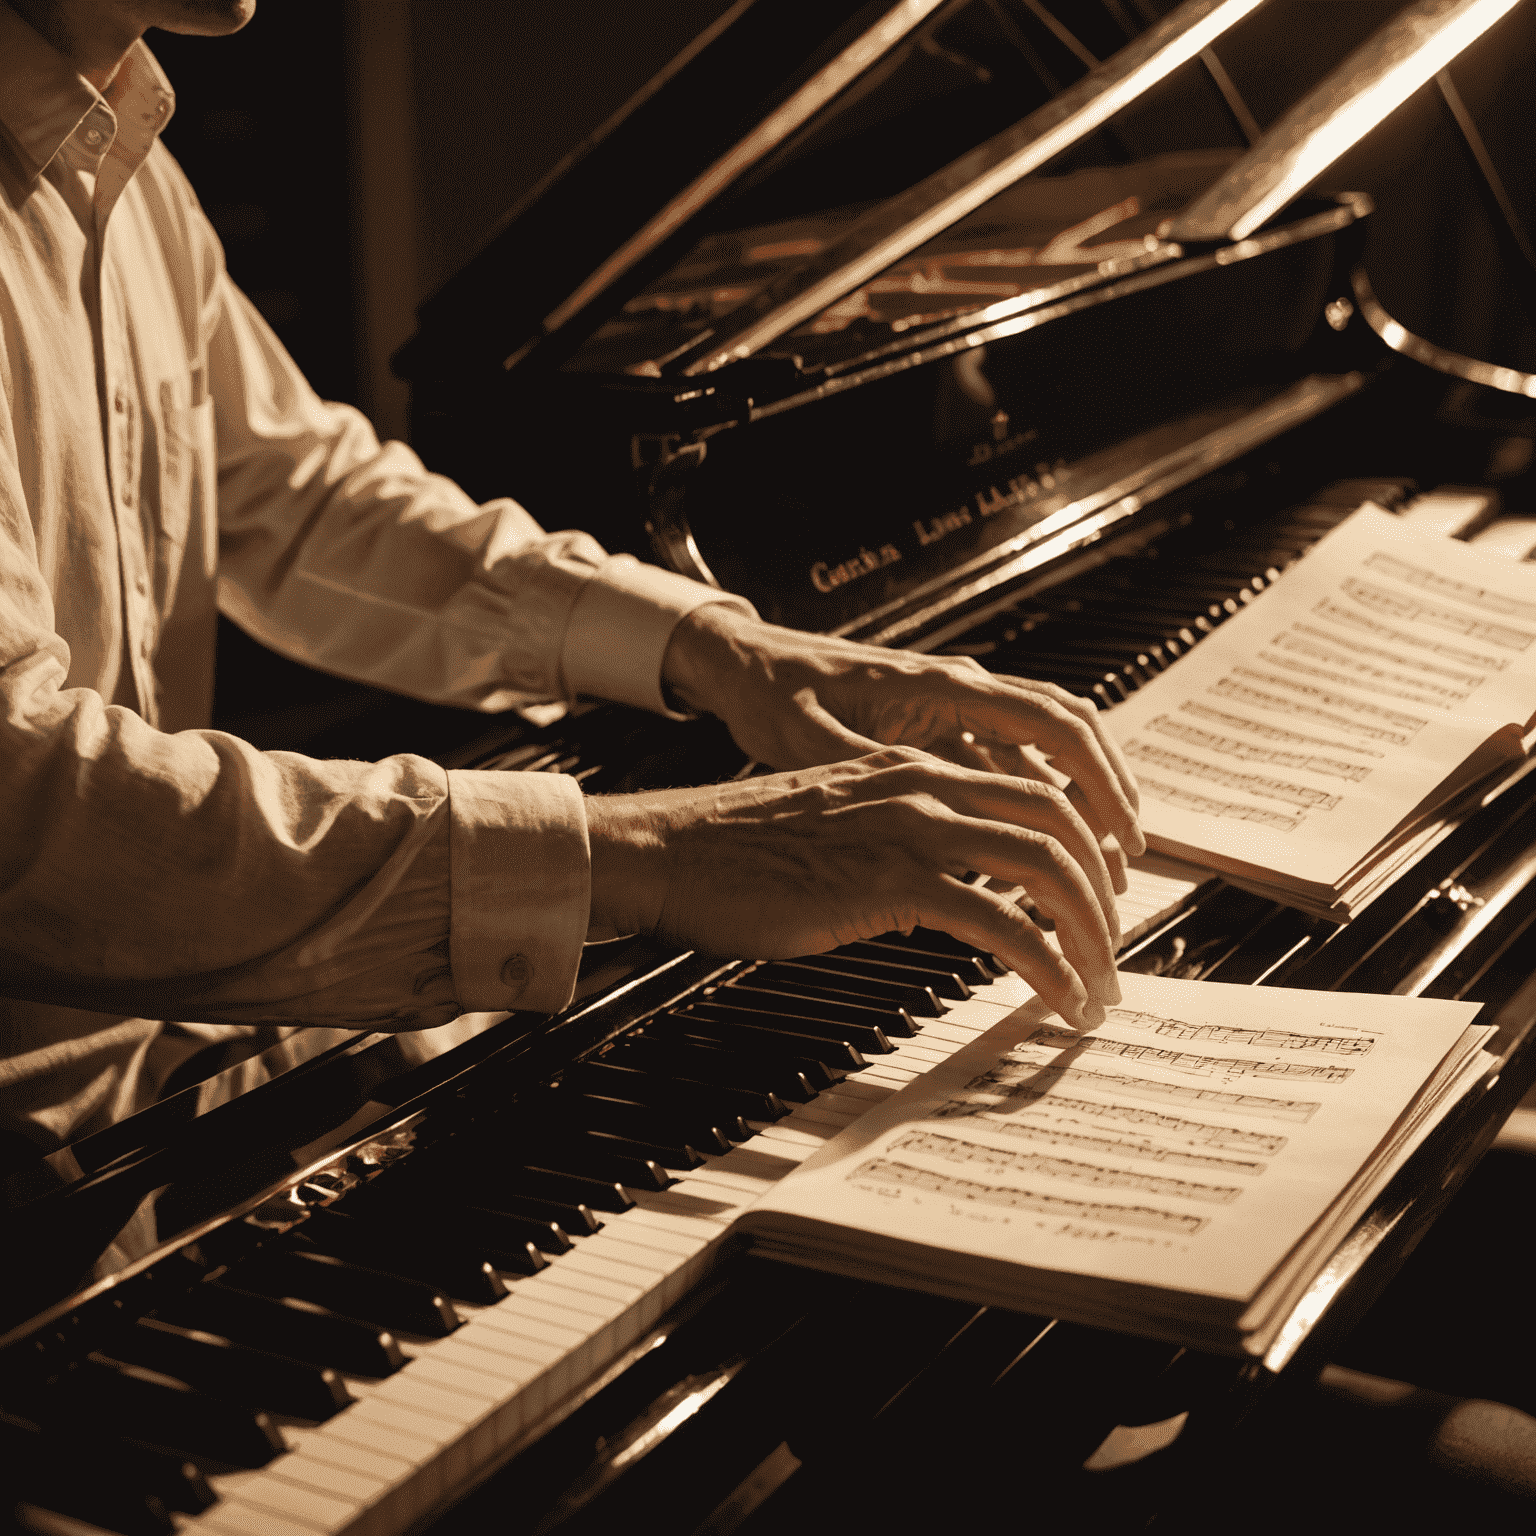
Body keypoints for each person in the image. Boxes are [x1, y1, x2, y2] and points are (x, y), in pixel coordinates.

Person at [0, 0, 1142, 1159]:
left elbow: (296, 492)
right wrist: (650, 853)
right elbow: (24, 798)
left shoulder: (124, 156)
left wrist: (717, 647)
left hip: (153, 1050)